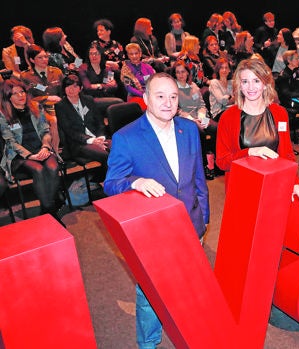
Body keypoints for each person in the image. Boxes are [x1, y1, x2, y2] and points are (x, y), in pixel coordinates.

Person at [103, 72, 209, 349]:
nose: (167, 102)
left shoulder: (189, 131)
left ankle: (186, 329)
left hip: (190, 224)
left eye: (173, 97)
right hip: (153, 232)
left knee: (188, 283)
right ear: (146, 99)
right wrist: (135, 181)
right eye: (160, 96)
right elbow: (111, 183)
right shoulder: (126, 137)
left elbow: (199, 180)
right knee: (150, 294)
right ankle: (149, 343)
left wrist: (204, 219)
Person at [215, 57, 299, 203]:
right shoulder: (228, 117)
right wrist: (250, 152)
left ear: (265, 84)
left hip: (275, 184)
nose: (251, 87)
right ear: (239, 85)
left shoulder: (279, 113)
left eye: (256, 81)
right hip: (242, 188)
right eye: (245, 81)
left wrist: (294, 183)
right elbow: (222, 162)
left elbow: (287, 154)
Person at [0, 79, 64, 225]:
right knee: (39, 169)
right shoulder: (3, 115)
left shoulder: (35, 106)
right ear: (7, 97)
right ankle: (52, 211)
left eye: (22, 91)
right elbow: (11, 142)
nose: (20, 95)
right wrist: (30, 155)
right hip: (19, 155)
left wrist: (45, 146)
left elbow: (45, 131)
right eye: (15, 94)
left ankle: (46, 209)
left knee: (53, 168)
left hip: (40, 148)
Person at [55, 73, 110, 180]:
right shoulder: (60, 106)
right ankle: (108, 182)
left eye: (75, 86)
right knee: (106, 155)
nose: (71, 89)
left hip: (97, 138)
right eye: (68, 86)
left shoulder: (88, 100)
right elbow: (69, 131)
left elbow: (99, 121)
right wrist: (91, 140)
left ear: (80, 88)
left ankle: (103, 178)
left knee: (117, 148)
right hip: (78, 144)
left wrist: (101, 137)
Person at [170, 60, 213, 179]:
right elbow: (177, 110)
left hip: (199, 116)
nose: (181, 75)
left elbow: (202, 105)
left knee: (215, 128)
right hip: (184, 120)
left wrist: (201, 117)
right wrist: (192, 119)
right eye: (178, 72)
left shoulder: (193, 86)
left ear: (188, 73)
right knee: (200, 132)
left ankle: (214, 162)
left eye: (183, 72)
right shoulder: (173, 89)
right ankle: (204, 165)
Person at [20, 44, 64, 151]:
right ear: (32, 60)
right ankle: (56, 151)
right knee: (53, 120)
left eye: (45, 56)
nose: (44, 60)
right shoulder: (26, 76)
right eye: (40, 57)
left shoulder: (57, 72)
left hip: (59, 106)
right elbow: (27, 99)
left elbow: (64, 92)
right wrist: (45, 98)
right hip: (40, 108)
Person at [120, 43, 156, 111]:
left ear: (140, 54)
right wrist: (143, 94)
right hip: (134, 96)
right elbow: (128, 88)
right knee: (149, 108)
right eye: (131, 54)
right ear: (128, 55)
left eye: (136, 53)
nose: (134, 56)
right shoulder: (126, 69)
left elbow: (154, 83)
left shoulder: (147, 67)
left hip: (149, 94)